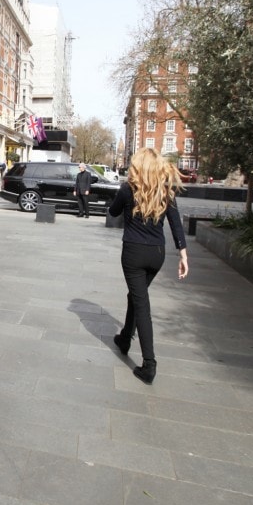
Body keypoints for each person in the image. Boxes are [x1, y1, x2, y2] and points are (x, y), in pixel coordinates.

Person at [107, 148, 189, 384]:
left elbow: (113, 213)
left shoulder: (127, 189)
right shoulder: (166, 190)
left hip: (133, 252)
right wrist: (183, 254)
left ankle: (149, 364)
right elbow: (175, 224)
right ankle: (124, 338)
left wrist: (122, 203)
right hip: (158, 254)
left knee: (141, 303)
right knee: (136, 295)